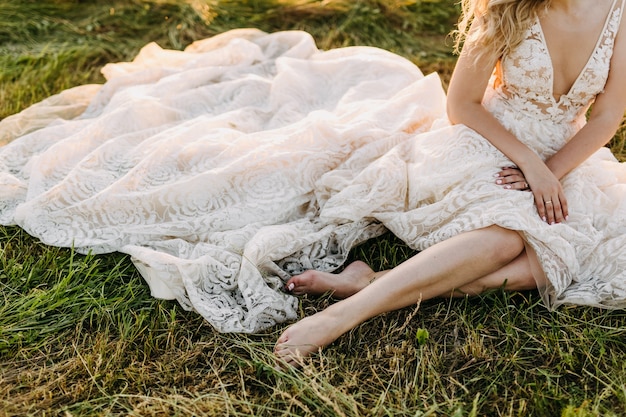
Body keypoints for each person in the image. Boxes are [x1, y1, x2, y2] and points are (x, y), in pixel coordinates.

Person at [274, 0, 626, 367]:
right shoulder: (508, 6)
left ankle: (372, 281)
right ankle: (343, 315)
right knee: (507, 240)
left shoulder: (620, 10)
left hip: (565, 157)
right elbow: (462, 104)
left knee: (545, 263)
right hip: (493, 142)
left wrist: (550, 172)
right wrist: (530, 165)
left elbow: (605, 117)